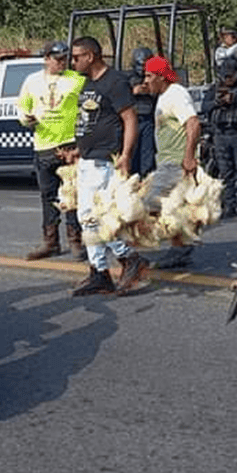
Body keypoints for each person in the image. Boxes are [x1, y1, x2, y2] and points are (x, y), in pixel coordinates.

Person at [69, 37, 149, 296]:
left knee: (96, 217)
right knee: (87, 219)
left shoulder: (114, 82)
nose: (73, 62)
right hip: (87, 158)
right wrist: (77, 150)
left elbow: (129, 119)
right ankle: (99, 272)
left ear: (90, 56)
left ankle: (128, 259)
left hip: (104, 161)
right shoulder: (88, 84)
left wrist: (126, 154)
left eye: (76, 57)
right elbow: (91, 121)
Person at [17, 40, 87, 261]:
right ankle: (50, 241)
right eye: (57, 59)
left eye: (65, 58)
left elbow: (89, 106)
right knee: (48, 196)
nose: (62, 63)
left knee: (72, 196)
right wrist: (26, 119)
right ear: (46, 59)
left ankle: (76, 240)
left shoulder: (76, 79)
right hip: (43, 146)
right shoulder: (32, 81)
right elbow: (22, 108)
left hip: (69, 145)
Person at [144, 56, 202, 268]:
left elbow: (193, 123)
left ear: (161, 77)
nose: (146, 80)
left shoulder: (176, 94)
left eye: (149, 76)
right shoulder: (164, 95)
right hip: (167, 161)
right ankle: (180, 249)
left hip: (175, 162)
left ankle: (173, 243)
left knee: (149, 202)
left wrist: (188, 156)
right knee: (175, 206)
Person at [201, 57, 237, 219]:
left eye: (230, 76)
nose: (227, 79)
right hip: (220, 134)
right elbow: (204, 107)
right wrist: (217, 102)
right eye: (225, 76)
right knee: (225, 173)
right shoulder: (214, 89)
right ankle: (229, 205)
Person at [127, 47, 156, 178]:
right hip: (131, 121)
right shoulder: (126, 79)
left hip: (148, 119)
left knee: (147, 157)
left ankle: (147, 181)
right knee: (132, 156)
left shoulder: (154, 77)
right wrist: (133, 92)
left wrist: (150, 91)